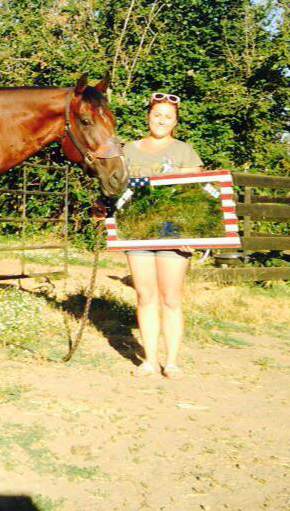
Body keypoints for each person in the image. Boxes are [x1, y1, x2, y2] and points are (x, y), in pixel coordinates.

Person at [122, 92, 203, 378]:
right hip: (138, 233)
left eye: (168, 116)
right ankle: (149, 360)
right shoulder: (128, 150)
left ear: (176, 121)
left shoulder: (185, 151)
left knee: (171, 298)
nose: (161, 120)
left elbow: (194, 197)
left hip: (174, 234)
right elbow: (117, 190)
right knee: (145, 296)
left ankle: (171, 362)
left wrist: (191, 232)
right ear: (148, 116)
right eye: (157, 114)